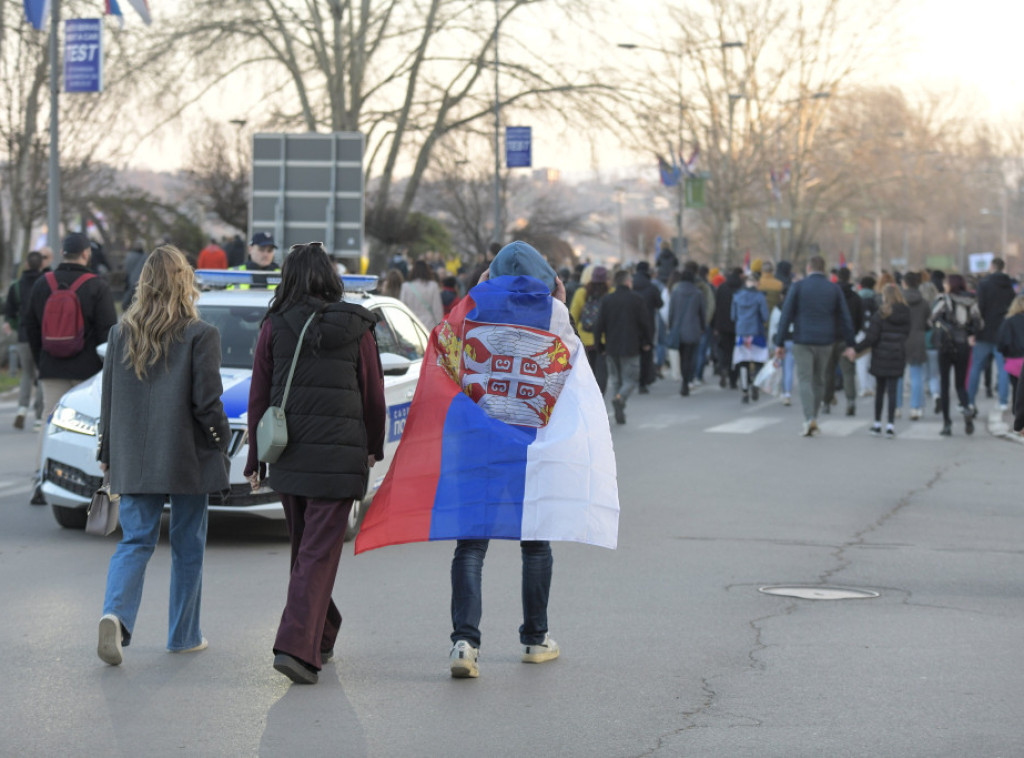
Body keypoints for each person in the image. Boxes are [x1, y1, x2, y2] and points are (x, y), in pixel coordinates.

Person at [244, 242, 385, 685]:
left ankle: (319, 635)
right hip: (340, 459)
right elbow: (373, 393)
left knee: (307, 553)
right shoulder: (357, 326)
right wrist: (373, 446)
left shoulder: (274, 326)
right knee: (315, 555)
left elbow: (260, 397)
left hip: (289, 457)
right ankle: (296, 647)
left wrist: (256, 459)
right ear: (329, 276)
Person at [96, 246, 231, 666]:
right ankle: (183, 635)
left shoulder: (121, 332)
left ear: (144, 283)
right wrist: (220, 440)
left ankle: (115, 616)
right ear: (183, 281)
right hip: (186, 456)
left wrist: (107, 452)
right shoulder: (200, 334)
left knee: (135, 541)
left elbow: (109, 401)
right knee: (188, 543)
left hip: (134, 457)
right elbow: (206, 403)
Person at [447, 241, 573, 679]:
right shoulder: (554, 312)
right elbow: (569, 366)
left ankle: (464, 642)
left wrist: (476, 292)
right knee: (536, 541)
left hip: (479, 439)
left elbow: (449, 357)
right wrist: (560, 303)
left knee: (471, 543)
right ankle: (535, 639)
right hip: (530, 442)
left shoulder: (473, 308)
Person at [24, 233, 117, 504]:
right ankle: (87, 483)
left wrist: (41, 357)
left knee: (49, 422)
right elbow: (108, 330)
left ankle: (42, 480)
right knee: (88, 425)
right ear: (86, 254)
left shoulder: (43, 283)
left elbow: (30, 325)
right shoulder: (96, 286)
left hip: (50, 366)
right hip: (87, 368)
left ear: (62, 252)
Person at [774, 255, 856, 437]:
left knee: (805, 378)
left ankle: (808, 417)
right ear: (824, 269)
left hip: (802, 339)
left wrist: (779, 342)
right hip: (826, 340)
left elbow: (786, 315)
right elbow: (845, 317)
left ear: (808, 268)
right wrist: (850, 343)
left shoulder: (798, 287)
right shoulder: (833, 289)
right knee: (819, 379)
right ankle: (815, 417)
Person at [594, 268, 652, 424]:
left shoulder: (607, 300)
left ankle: (619, 404)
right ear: (627, 281)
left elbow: (599, 324)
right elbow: (645, 323)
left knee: (616, 380)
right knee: (630, 380)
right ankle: (620, 399)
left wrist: (599, 343)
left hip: (611, 346)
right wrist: (647, 342)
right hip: (631, 346)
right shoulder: (637, 299)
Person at [929, 273, 983, 436]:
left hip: (946, 346)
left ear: (950, 284)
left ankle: (947, 423)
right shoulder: (971, 301)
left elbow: (932, 319)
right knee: (960, 384)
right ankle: (966, 408)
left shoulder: (944, 299)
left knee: (945, 385)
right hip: (963, 345)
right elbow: (979, 323)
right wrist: (969, 333)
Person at [855, 284, 911, 438]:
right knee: (893, 390)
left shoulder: (880, 314)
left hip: (880, 355)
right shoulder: (906, 313)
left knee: (880, 391)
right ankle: (891, 425)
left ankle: (877, 423)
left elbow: (872, 337)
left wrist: (856, 348)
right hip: (897, 354)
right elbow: (907, 333)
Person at [4, 251, 46, 430]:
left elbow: (9, 311)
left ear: (27, 264)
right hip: (42, 335)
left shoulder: (16, 286)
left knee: (27, 375)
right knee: (41, 375)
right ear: (41, 265)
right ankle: (38, 417)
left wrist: (13, 325)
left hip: (23, 335)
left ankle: (22, 407)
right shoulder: (45, 283)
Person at [967, 257, 1014, 414]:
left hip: (984, 331)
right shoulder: (1009, 286)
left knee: (976, 367)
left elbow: (978, 309)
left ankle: (970, 401)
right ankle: (1002, 401)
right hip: (1003, 333)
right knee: (1003, 369)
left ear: (992, 266)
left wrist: (973, 331)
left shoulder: (984, 284)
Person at [823, 267, 864, 416]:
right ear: (849, 278)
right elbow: (860, 320)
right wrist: (853, 334)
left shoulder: (829, 295)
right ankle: (851, 401)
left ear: (836, 278)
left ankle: (826, 403)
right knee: (848, 373)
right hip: (847, 338)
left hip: (829, 338)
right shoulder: (855, 297)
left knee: (828, 372)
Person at [570, 264, 609, 394]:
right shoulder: (610, 292)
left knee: (588, 370)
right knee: (602, 371)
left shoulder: (582, 292)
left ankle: (588, 395)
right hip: (604, 339)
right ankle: (600, 396)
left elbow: (573, 316)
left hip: (584, 338)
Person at [730, 274, 769, 403]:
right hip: (756, 333)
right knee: (758, 361)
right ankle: (756, 384)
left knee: (743, 361)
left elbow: (733, 316)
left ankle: (745, 390)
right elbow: (765, 316)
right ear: (757, 283)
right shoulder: (760, 297)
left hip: (741, 333)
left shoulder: (736, 296)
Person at [667, 267, 706, 397]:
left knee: (683, 357)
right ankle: (688, 380)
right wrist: (703, 327)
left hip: (679, 330)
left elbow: (671, 312)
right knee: (692, 357)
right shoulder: (698, 293)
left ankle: (684, 381)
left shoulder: (675, 292)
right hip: (694, 330)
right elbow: (702, 313)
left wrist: (672, 326)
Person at [901, 272, 930, 420]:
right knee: (917, 375)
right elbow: (928, 322)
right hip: (918, 338)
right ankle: (916, 408)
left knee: (898, 375)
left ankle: (897, 408)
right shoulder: (924, 302)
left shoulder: (899, 300)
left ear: (904, 283)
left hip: (900, 338)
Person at [632, 261, 663, 392]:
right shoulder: (652, 287)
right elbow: (660, 304)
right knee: (646, 353)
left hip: (631, 325)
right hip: (648, 324)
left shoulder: (630, 284)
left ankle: (630, 381)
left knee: (632, 355)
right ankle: (643, 383)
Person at [713, 268, 743, 389]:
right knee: (737, 353)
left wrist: (715, 325)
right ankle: (733, 379)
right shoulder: (741, 289)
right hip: (738, 326)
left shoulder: (722, 288)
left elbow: (716, 306)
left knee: (724, 350)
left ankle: (723, 367)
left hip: (722, 325)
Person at [997, 294, 1024, 409]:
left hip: (1015, 359)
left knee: (1016, 390)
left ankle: (1018, 420)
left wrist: (1004, 353)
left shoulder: (1009, 321)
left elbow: (1003, 341)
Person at [400, 258, 444, 328]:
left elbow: (402, 308)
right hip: (429, 325)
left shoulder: (405, 286)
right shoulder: (433, 286)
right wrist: (439, 326)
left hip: (411, 324)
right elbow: (437, 310)